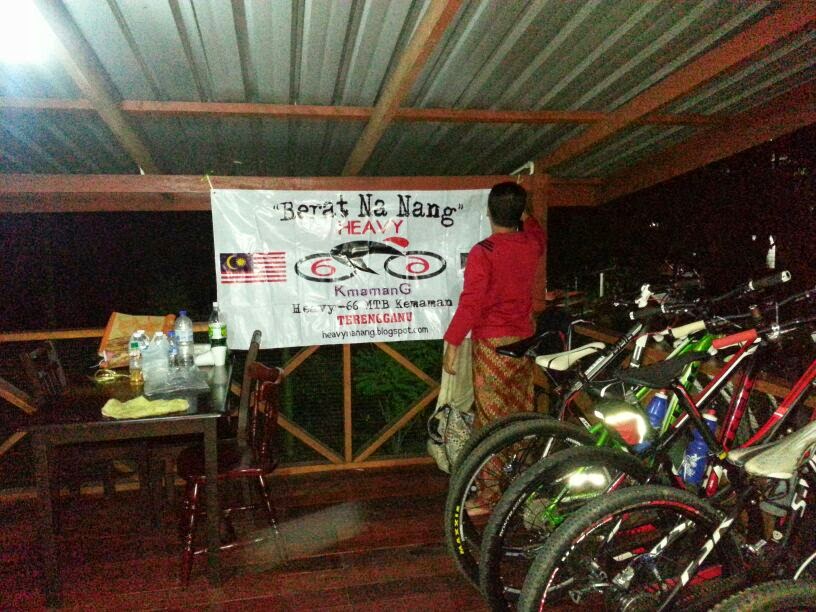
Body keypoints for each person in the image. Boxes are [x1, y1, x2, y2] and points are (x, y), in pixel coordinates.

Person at [443, 181, 546, 432]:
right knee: (520, 407)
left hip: (493, 344)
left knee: (492, 415)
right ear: (519, 214)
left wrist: (453, 344)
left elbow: (471, 303)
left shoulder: (483, 252)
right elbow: (538, 232)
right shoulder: (531, 244)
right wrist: (526, 215)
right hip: (524, 340)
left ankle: (494, 458)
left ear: (489, 212)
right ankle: (521, 455)